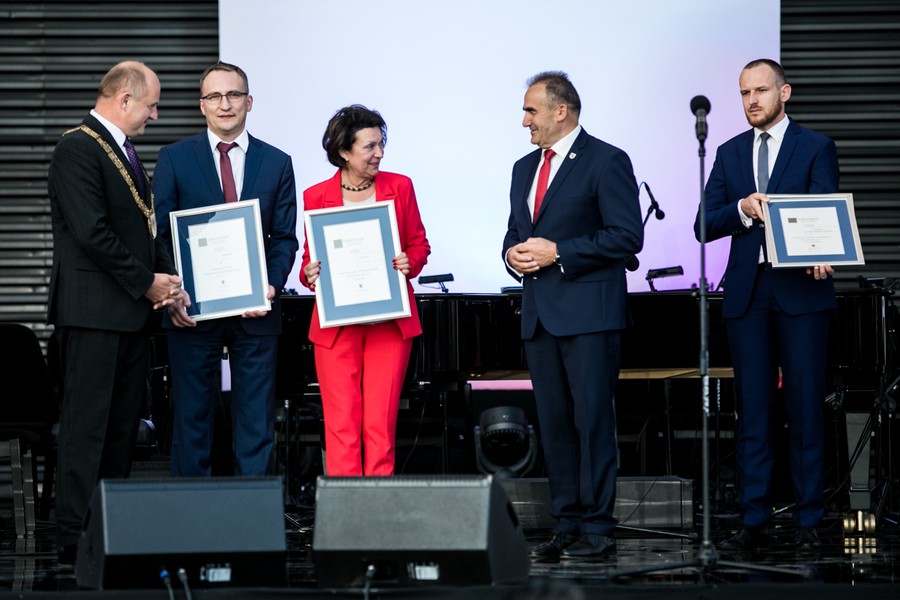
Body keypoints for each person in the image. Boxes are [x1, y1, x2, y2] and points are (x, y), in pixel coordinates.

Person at [694, 59, 839, 550]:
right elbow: (703, 223)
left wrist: (822, 254)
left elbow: (823, 210)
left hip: (801, 291)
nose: (751, 100)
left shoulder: (817, 146)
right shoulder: (730, 152)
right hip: (748, 295)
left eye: (760, 90)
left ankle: (808, 520)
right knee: (752, 411)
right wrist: (741, 209)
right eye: (743, 93)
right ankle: (752, 519)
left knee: (803, 409)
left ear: (785, 92)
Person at [47, 61, 185, 564]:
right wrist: (148, 282)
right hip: (92, 316)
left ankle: (107, 532)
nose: (155, 115)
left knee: (122, 430)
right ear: (123, 100)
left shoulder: (123, 152)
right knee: (87, 430)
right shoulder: (77, 148)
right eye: (151, 105)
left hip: (129, 317)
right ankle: (74, 540)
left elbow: (143, 231)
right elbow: (92, 233)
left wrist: (169, 284)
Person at [502, 72, 643, 559]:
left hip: (589, 316)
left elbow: (627, 237)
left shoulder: (607, 160)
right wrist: (512, 256)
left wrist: (558, 252)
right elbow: (514, 235)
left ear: (561, 110)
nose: (525, 121)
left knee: (592, 422)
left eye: (531, 111)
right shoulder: (523, 168)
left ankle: (599, 527)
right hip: (540, 316)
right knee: (555, 424)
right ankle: (566, 522)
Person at [153, 61, 298, 477]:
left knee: (255, 426)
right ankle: (190, 526)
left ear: (249, 101)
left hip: (256, 312)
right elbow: (161, 235)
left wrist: (270, 284)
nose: (225, 104)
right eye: (215, 96)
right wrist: (173, 292)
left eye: (234, 95)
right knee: (192, 422)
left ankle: (255, 526)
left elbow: (284, 237)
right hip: (189, 311)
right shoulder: (174, 159)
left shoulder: (277, 162)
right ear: (202, 105)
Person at [301, 105, 430, 476]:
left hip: (389, 325)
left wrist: (411, 262)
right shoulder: (315, 196)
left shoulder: (400, 186)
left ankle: (378, 515)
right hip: (336, 326)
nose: (379, 154)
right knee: (341, 426)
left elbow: (419, 245)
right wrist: (310, 272)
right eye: (370, 146)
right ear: (344, 151)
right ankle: (346, 520)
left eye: (381, 144)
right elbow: (310, 260)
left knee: (380, 427)